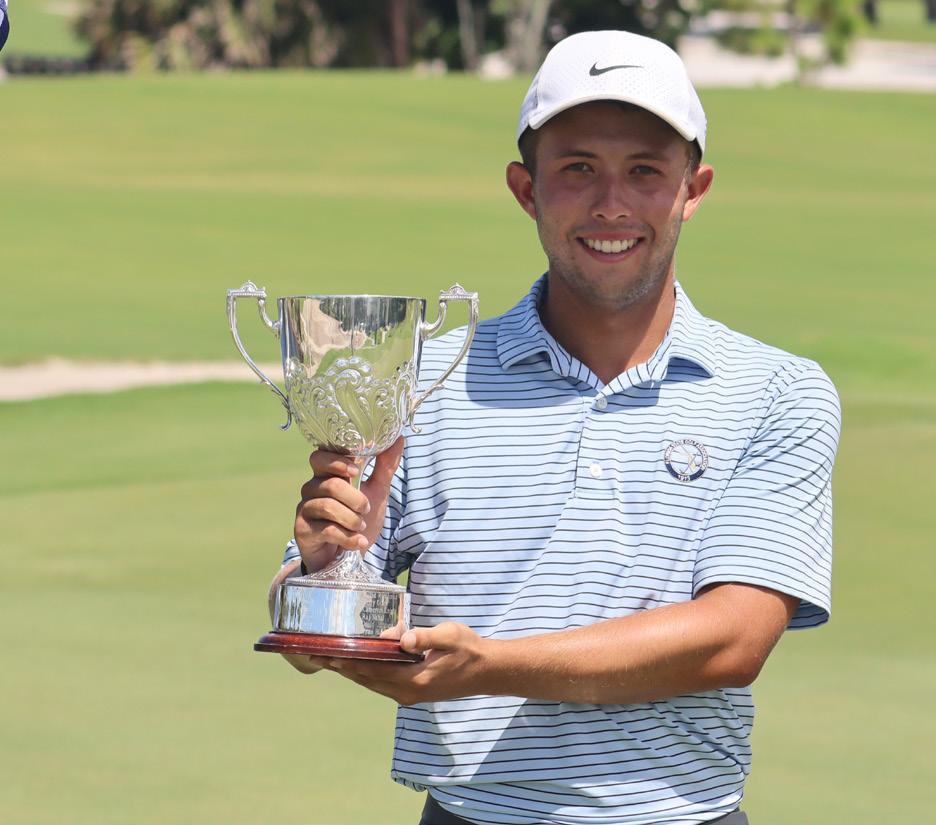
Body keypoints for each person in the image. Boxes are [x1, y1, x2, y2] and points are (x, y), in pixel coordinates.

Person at [273, 29, 840, 825]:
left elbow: (734, 639)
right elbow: (303, 630)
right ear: (525, 188)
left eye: (645, 170)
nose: (611, 204)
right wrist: (320, 566)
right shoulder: (423, 377)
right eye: (577, 169)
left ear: (694, 188)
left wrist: (489, 666)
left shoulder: (776, 390)